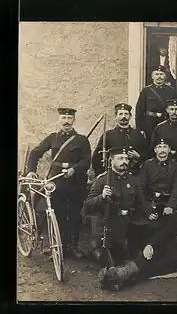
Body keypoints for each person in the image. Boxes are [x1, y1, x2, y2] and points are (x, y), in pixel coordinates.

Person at [101, 192, 177, 291]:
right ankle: (121, 274)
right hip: (168, 247)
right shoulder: (175, 217)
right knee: (147, 256)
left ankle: (118, 277)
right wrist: (150, 245)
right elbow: (163, 232)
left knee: (156, 268)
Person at [26, 107, 91, 259]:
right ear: (59, 120)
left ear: (74, 120)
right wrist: (31, 170)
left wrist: (75, 169)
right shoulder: (52, 138)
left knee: (74, 214)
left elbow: (87, 161)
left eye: (69, 118)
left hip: (76, 182)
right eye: (63, 118)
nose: (66, 121)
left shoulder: (82, 140)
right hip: (56, 181)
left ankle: (72, 247)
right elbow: (35, 152)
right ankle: (58, 246)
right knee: (57, 213)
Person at [83, 146, 148, 276]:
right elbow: (88, 204)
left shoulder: (133, 180)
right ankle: (96, 251)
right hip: (107, 223)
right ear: (111, 161)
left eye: (126, 158)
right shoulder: (102, 180)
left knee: (127, 257)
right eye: (120, 158)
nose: (124, 161)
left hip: (125, 223)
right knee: (108, 261)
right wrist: (101, 197)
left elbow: (141, 202)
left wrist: (149, 213)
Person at [131, 138, 177, 257]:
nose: (162, 150)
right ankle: (143, 252)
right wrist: (148, 209)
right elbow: (141, 189)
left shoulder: (176, 166)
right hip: (151, 203)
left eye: (165, 147)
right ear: (155, 150)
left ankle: (163, 253)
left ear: (169, 150)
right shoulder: (147, 165)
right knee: (146, 225)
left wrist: (171, 205)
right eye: (159, 147)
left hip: (167, 204)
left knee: (171, 225)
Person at [91, 103, 149, 176]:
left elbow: (148, 155)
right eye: (120, 114)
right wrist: (102, 176)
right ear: (116, 116)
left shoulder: (138, 134)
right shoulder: (108, 135)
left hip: (135, 176)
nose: (123, 117)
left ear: (130, 116)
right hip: (113, 177)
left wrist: (139, 157)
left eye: (126, 114)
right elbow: (97, 158)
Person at [135, 65, 177, 142]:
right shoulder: (146, 91)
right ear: (152, 76)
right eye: (156, 74)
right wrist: (140, 128)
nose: (159, 77)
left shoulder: (171, 91)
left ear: (165, 76)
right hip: (150, 123)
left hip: (165, 122)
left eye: (161, 74)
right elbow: (139, 111)